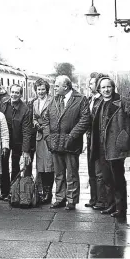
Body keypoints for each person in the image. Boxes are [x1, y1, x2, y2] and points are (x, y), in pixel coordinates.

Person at [43, 75, 90, 210]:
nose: (54, 88)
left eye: (57, 86)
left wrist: (71, 136)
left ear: (66, 86)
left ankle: (71, 200)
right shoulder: (54, 100)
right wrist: (47, 136)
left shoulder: (80, 99)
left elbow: (85, 120)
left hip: (71, 144)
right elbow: (46, 119)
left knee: (72, 174)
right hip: (55, 143)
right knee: (59, 174)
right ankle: (60, 198)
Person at [90, 77, 130, 218]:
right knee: (107, 178)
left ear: (113, 88)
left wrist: (125, 135)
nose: (106, 90)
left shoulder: (122, 102)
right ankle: (110, 205)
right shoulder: (99, 103)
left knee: (118, 178)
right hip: (101, 147)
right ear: (99, 90)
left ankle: (121, 209)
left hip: (115, 147)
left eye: (109, 87)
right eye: (103, 88)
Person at [0, 84, 32, 202]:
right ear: (9, 92)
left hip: (18, 141)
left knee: (16, 166)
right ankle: (4, 192)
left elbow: (27, 131)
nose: (14, 94)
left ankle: (13, 192)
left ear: (21, 95)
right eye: (12, 92)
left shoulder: (25, 109)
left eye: (17, 92)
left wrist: (25, 150)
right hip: (5, 140)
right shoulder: (3, 104)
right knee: (3, 165)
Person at [85, 72, 108, 210]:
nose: (89, 85)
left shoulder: (101, 101)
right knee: (91, 169)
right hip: (90, 138)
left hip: (98, 140)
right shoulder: (91, 99)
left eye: (92, 83)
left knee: (99, 171)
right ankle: (94, 198)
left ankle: (101, 200)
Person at [32, 79, 54, 204]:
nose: (40, 91)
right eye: (38, 89)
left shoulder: (52, 101)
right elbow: (34, 117)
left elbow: (54, 118)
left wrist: (45, 127)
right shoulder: (35, 103)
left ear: (47, 89)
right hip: (39, 137)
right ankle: (43, 191)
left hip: (48, 136)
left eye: (42, 89)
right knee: (41, 166)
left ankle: (48, 192)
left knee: (49, 165)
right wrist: (35, 124)